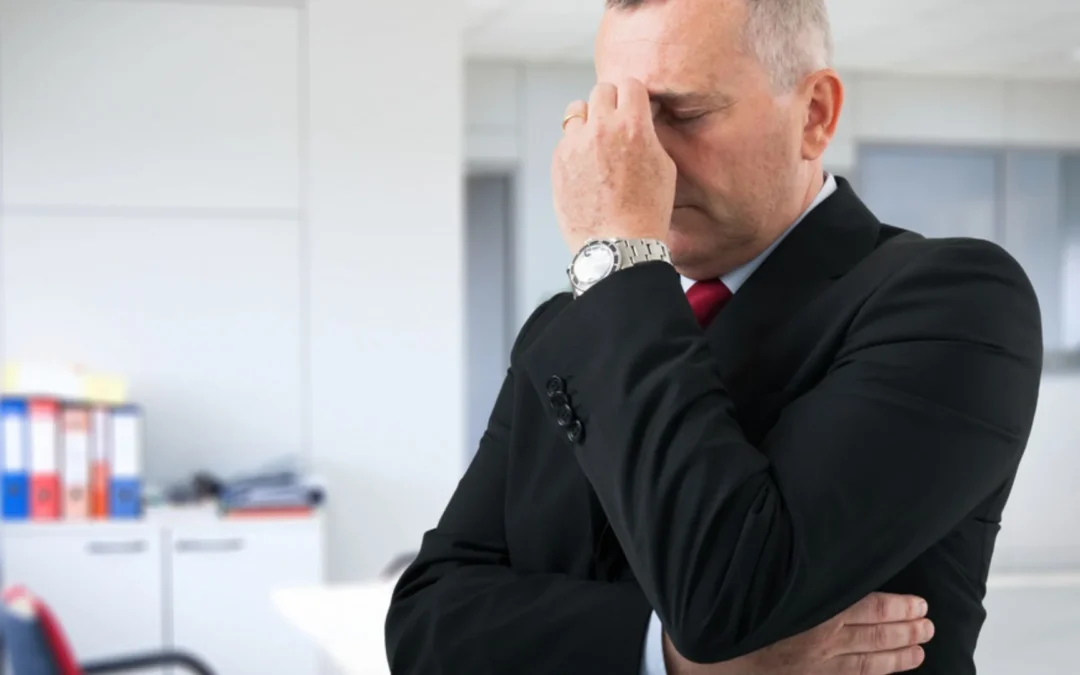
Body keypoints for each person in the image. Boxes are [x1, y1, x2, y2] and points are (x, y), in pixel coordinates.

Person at [385, 0, 1043, 673]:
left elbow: (725, 597)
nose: (644, 159)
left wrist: (616, 249)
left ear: (813, 114)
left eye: (684, 114)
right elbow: (424, 624)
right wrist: (666, 655)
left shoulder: (953, 298)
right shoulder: (565, 326)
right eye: (627, 119)